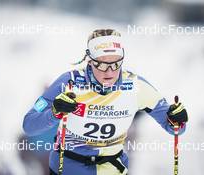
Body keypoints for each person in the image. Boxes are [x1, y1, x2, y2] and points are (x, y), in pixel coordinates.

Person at [23, 29, 188, 175]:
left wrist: (177, 120)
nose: (109, 72)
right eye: (101, 65)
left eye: (116, 64)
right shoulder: (69, 82)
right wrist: (55, 112)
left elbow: (174, 128)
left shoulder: (136, 86)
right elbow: (29, 125)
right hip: (69, 167)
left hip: (112, 168)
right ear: (90, 60)